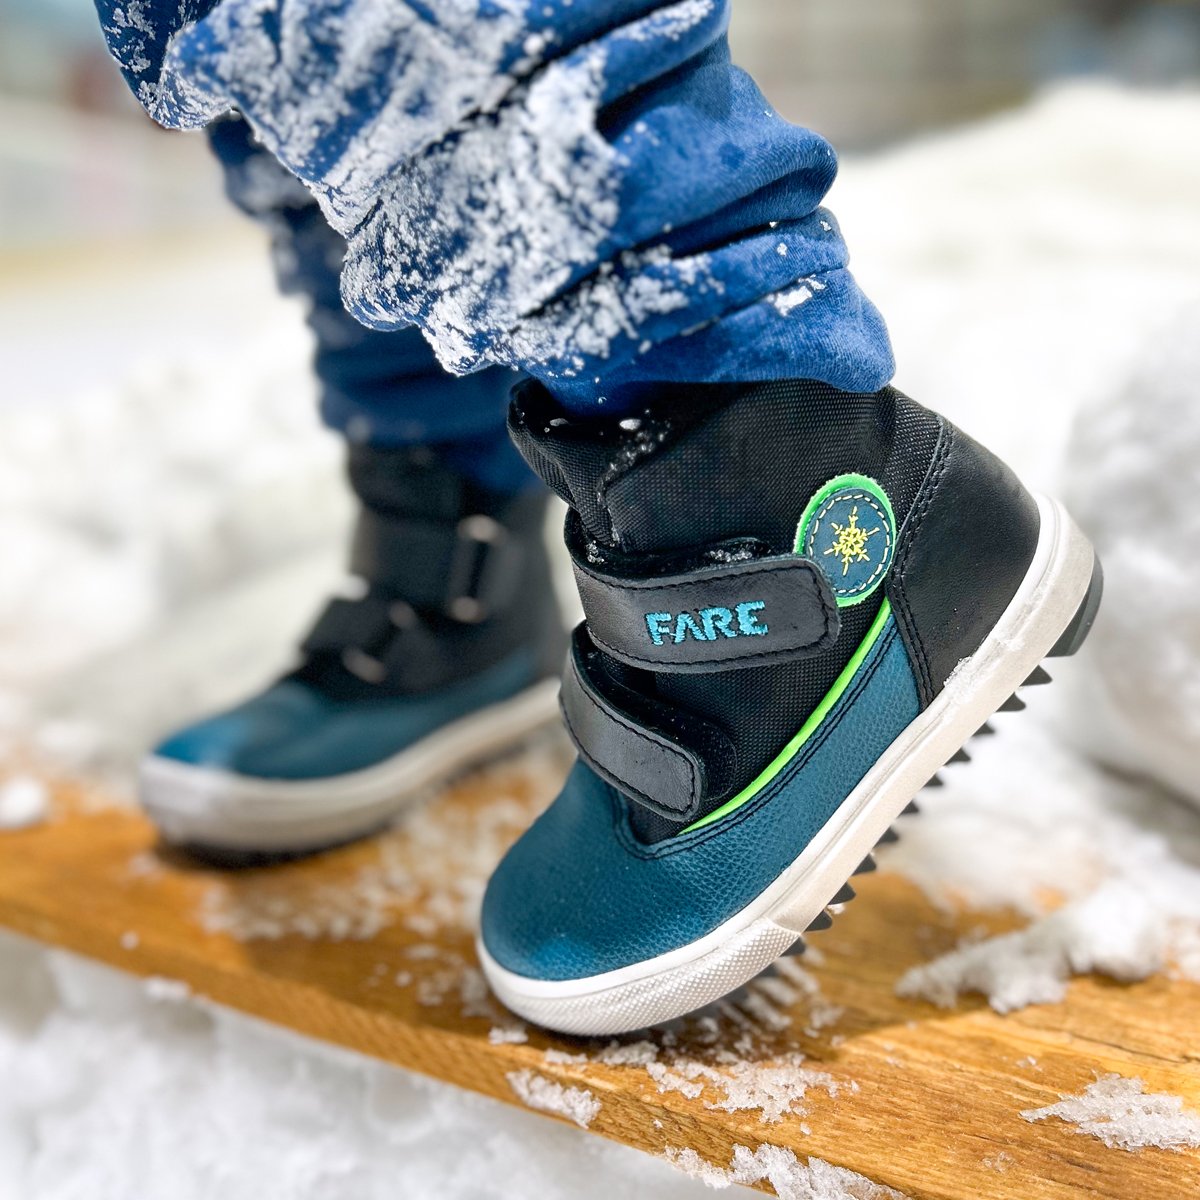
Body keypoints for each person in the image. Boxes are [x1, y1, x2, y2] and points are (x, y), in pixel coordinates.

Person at [92, 0, 1102, 1035]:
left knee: (405, 27)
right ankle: (458, 557)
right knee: (270, 60)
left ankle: (774, 473)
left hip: (800, 504)